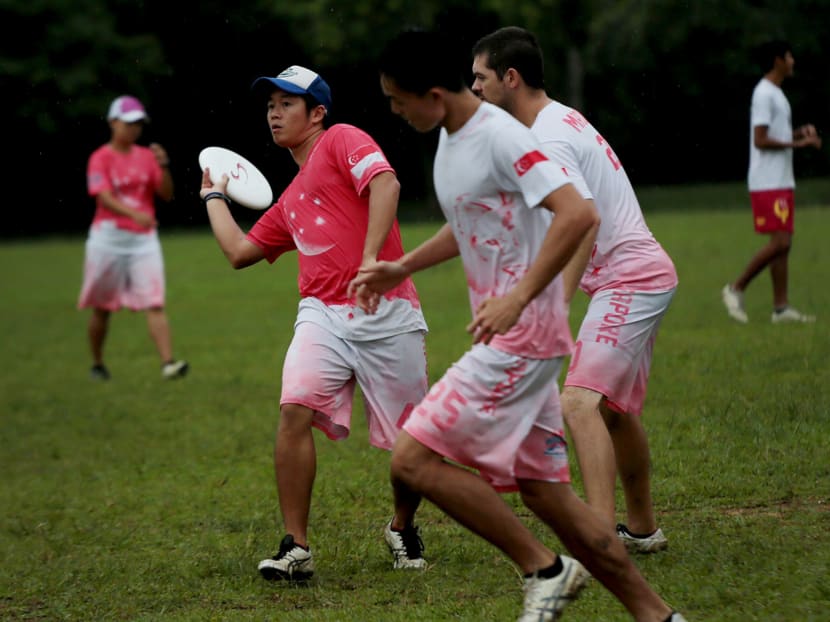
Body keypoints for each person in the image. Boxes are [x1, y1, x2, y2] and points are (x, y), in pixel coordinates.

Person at [350, 29, 686, 622]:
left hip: (522, 338)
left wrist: (521, 297)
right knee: (546, 495)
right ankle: (656, 613)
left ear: (432, 94)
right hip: (515, 334)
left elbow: (578, 212)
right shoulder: (452, 141)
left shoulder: (505, 136)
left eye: (398, 101)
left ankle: (544, 570)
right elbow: (469, 220)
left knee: (412, 459)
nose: (395, 113)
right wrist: (401, 265)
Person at [198, 65, 430, 581]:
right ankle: (296, 546)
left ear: (317, 113)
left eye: (287, 103)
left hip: (388, 311)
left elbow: (387, 184)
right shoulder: (291, 198)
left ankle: (401, 525)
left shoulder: (342, 139)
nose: (274, 113)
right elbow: (239, 252)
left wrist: (371, 260)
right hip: (322, 314)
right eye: (270, 105)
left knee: (411, 448)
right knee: (293, 410)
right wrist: (214, 196)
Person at [471, 26, 678, 554]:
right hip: (638, 273)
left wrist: (555, 306)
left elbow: (582, 222)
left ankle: (599, 536)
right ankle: (642, 528)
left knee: (579, 403)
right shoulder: (556, 117)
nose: (472, 89)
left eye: (480, 78)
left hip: (628, 278)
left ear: (509, 78)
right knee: (613, 410)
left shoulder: (548, 135)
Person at [78, 95, 189, 381]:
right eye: (128, 123)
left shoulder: (147, 156)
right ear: (112, 122)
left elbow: (166, 194)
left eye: (138, 124)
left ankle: (168, 363)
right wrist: (133, 213)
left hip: (143, 241)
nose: (134, 129)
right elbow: (102, 195)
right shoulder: (100, 158)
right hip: (108, 240)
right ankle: (97, 364)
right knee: (102, 308)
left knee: (154, 302)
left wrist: (163, 165)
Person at [722, 39, 822, 324]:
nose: (793, 61)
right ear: (777, 60)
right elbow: (761, 140)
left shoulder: (776, 94)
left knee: (784, 243)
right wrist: (799, 145)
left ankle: (781, 308)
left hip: (780, 179)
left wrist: (798, 133)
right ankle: (735, 288)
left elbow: (776, 134)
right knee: (780, 243)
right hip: (767, 181)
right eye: (789, 56)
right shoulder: (763, 94)